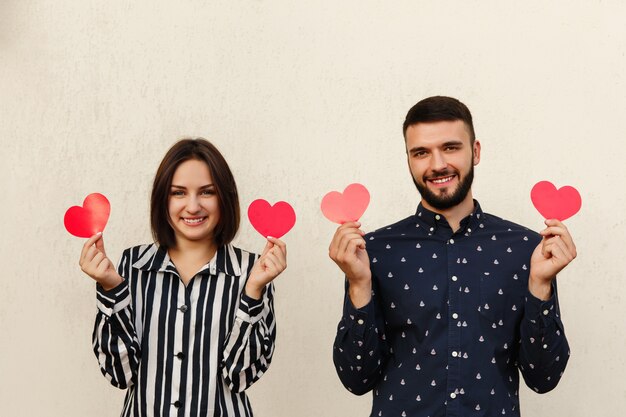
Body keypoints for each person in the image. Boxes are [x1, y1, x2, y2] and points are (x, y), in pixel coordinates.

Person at [329, 96, 576, 416]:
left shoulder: (526, 250)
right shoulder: (373, 252)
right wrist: (358, 284)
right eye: (421, 152)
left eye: (450, 147)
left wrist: (541, 284)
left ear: (475, 152)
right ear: (408, 160)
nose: (437, 164)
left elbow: (543, 378)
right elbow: (356, 378)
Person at [79, 138, 287, 417]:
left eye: (207, 192)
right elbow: (119, 373)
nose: (192, 206)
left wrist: (252, 292)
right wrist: (110, 288)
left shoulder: (253, 270)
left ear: (224, 197)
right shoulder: (132, 266)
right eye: (178, 193)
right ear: (162, 199)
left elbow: (241, 377)